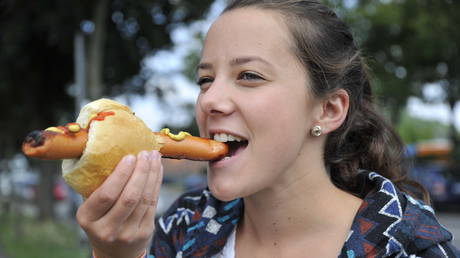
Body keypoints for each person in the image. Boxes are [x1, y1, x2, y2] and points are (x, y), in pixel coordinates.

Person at [76, 0, 460, 257]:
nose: (210, 100)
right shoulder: (183, 226)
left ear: (327, 110)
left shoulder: (408, 247)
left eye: (249, 75)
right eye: (205, 80)